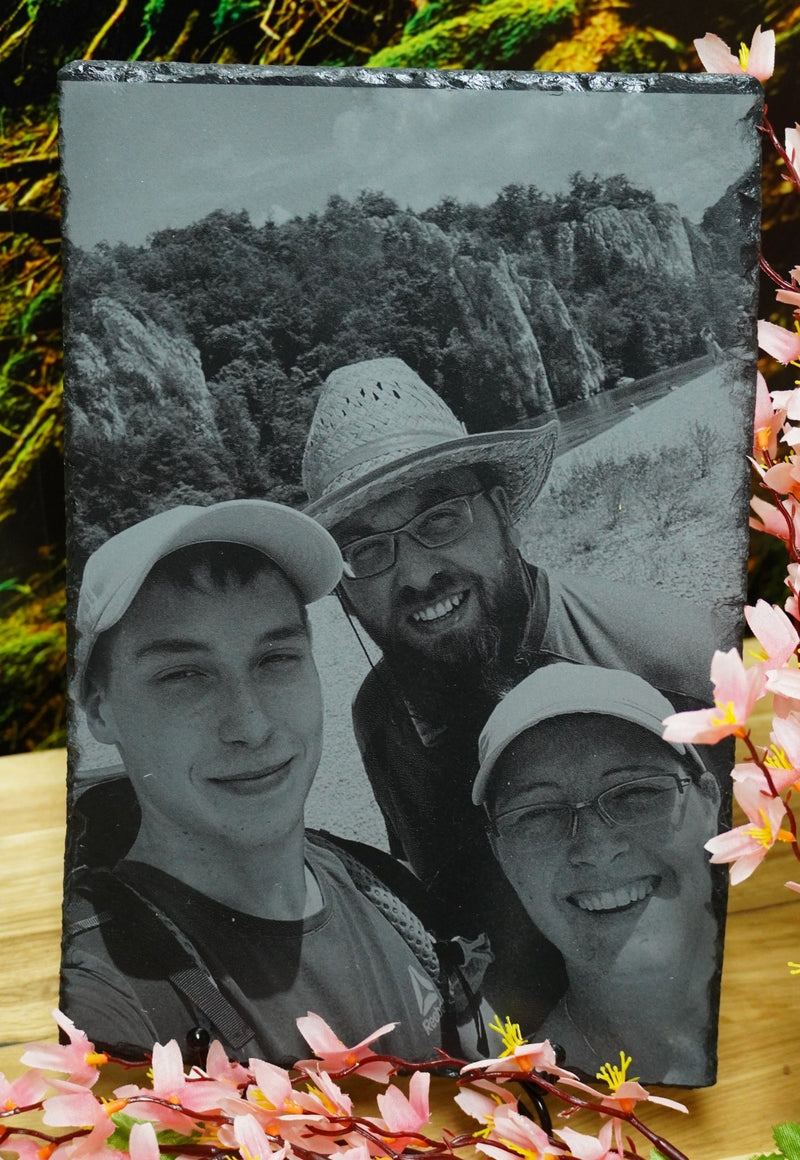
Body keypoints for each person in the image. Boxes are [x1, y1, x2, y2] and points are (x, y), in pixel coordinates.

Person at [302, 356, 724, 1023]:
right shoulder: (384, 719)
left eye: (440, 520)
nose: (416, 575)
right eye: (367, 551)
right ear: (340, 585)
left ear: (501, 512)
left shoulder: (680, 668)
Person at [61, 499, 490, 1065]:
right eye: (183, 674)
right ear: (99, 709)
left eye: (275, 659)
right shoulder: (98, 995)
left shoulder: (386, 890)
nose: (251, 725)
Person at [472, 663, 722, 1086]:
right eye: (539, 814)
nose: (597, 850)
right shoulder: (522, 1107)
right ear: (502, 856)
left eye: (637, 792)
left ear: (710, 803)